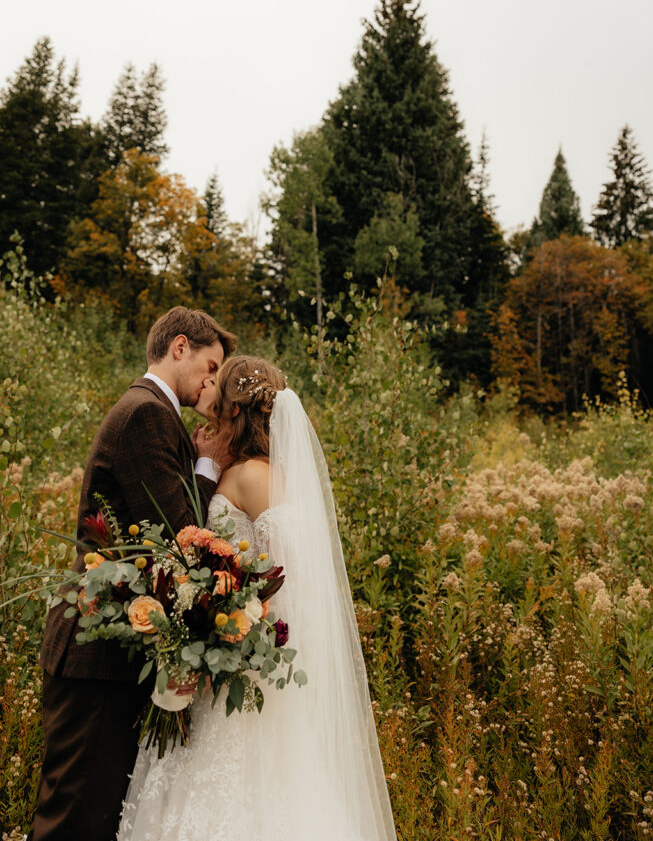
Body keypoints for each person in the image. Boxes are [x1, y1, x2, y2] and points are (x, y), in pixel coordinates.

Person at [118, 355, 397, 841]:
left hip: (242, 669)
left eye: (216, 386)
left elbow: (288, 580)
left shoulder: (255, 476)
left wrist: (229, 627)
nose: (207, 390)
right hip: (222, 664)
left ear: (233, 409)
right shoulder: (242, 468)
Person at [30, 307, 237, 841]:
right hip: (96, 657)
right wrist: (210, 465)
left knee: (91, 816)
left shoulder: (154, 413)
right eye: (211, 366)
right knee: (74, 820)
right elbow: (181, 534)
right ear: (180, 347)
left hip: (107, 654)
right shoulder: (146, 414)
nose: (213, 382)